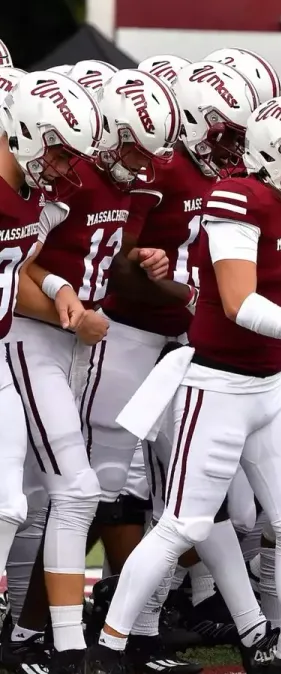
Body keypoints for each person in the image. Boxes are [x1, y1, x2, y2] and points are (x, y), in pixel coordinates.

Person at [85, 95, 281, 674]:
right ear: (274, 153)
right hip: (216, 387)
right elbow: (240, 302)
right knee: (183, 524)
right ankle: (110, 647)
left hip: (271, 388)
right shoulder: (240, 197)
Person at [6, 69, 160, 673]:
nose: (141, 164)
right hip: (30, 341)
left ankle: (47, 637)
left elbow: (36, 260)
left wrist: (75, 283)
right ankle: (43, 637)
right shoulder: (47, 181)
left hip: (57, 343)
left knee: (53, 494)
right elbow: (14, 268)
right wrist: (68, 308)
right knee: (53, 492)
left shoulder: (60, 183)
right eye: (130, 147)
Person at [0, 72, 102, 657]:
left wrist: (61, 283)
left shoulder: (31, 189)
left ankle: (54, 643)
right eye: (61, 151)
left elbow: (21, 262)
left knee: (14, 502)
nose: (68, 167)